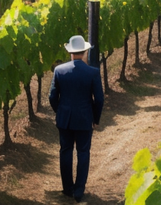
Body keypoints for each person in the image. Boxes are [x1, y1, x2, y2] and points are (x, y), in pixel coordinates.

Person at [49, 34, 104, 202]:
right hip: (84, 118)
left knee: (65, 151)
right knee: (83, 152)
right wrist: (95, 118)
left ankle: (67, 188)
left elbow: (52, 97)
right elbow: (99, 99)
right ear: (85, 51)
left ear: (70, 52)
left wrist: (59, 111)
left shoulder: (59, 70)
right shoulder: (93, 72)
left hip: (64, 119)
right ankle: (79, 190)